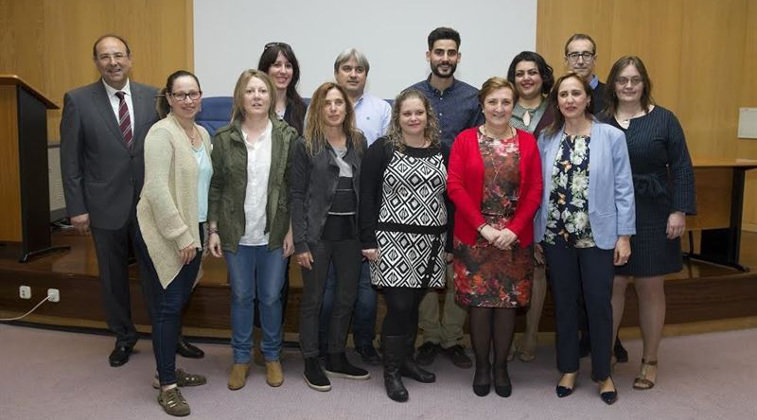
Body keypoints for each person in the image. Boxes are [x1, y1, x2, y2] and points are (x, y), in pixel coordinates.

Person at [59, 34, 164, 367]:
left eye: (118, 55)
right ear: (96, 63)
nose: (113, 62)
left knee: (159, 273)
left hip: (149, 203)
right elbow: (70, 160)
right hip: (104, 204)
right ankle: (124, 336)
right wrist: (77, 208)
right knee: (113, 276)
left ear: (130, 58)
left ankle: (169, 334)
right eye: (105, 57)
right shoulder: (78, 100)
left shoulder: (153, 97)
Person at [534, 72, 635, 405]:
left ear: (588, 98)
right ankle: (568, 368)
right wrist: (537, 234)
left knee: (598, 305)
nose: (570, 100)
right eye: (563, 94)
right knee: (563, 305)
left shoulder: (610, 136)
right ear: (557, 101)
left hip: (598, 237)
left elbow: (624, 189)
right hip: (556, 236)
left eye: (576, 93)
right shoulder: (547, 138)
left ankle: (603, 374)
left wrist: (624, 235)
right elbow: (539, 191)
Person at [602, 56, 696, 390]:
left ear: (644, 83)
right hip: (612, 214)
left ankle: (650, 360)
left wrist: (679, 210)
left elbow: (682, 166)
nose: (628, 86)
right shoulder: (601, 122)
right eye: (622, 80)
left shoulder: (665, 120)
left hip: (656, 212)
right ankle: (605, 356)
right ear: (612, 84)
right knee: (612, 286)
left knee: (650, 287)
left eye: (635, 80)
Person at [448, 77, 542, 397]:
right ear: (482, 105)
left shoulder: (528, 142)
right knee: (479, 305)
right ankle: (482, 368)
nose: (499, 108)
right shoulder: (464, 140)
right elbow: (455, 187)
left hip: (514, 240)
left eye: (505, 102)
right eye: (492, 102)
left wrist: (513, 230)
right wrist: (483, 227)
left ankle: (501, 367)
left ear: (513, 105)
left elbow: (535, 192)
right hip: (474, 237)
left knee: (506, 306)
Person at [207, 70, 298, 391]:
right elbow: (216, 186)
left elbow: (293, 188)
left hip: (274, 233)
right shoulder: (224, 138)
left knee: (272, 297)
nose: (257, 96)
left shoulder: (287, 137)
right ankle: (241, 359)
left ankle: (272, 356)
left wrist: (290, 230)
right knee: (242, 296)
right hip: (236, 234)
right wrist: (214, 229)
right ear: (240, 97)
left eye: (263, 90)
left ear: (271, 97)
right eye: (250, 91)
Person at [360, 89, 450, 402]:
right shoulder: (382, 149)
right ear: (398, 117)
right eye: (407, 113)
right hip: (392, 242)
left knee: (413, 306)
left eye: (419, 113)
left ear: (428, 116)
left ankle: (407, 361)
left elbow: (449, 199)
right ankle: (391, 371)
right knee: (398, 307)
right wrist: (368, 239)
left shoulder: (443, 149)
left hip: (431, 242)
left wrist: (448, 243)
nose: (413, 118)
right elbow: (367, 198)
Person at [135, 70, 210, 416]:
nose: (188, 100)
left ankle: (167, 369)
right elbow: (156, 190)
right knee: (167, 307)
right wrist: (181, 235)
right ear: (168, 97)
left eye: (193, 93)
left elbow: (205, 189)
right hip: (164, 233)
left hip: (193, 231)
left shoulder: (202, 133)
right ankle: (167, 386)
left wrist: (205, 232)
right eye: (180, 94)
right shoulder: (160, 134)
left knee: (176, 303)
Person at [409, 26, 483, 369]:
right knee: (424, 268)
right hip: (420, 195)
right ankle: (430, 336)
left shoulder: (473, 98)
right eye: (439, 52)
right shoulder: (411, 96)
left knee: (458, 268)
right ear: (428, 55)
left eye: (451, 53)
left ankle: (453, 337)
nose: (445, 59)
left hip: (462, 197)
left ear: (458, 57)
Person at [291, 82, 369, 392]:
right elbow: (297, 195)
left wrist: (367, 237)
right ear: (319, 109)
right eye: (328, 103)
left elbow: (366, 190)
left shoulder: (359, 142)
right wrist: (300, 242)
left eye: (339, 103)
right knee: (313, 299)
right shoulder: (305, 144)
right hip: (317, 237)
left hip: (350, 236)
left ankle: (336, 354)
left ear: (347, 109)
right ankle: (311, 358)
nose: (334, 108)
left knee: (345, 298)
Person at [319, 48, 392, 365]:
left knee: (365, 289)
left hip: (368, 210)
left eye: (359, 69)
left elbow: (390, 155)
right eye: (346, 68)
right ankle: (326, 345)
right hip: (330, 216)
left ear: (366, 74)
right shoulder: (322, 106)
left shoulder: (381, 110)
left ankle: (363, 342)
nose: (352, 74)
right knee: (330, 287)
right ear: (337, 73)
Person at [564, 33, 629, 361]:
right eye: (574, 55)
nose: (580, 60)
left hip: (602, 214)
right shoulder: (559, 102)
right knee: (572, 295)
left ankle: (605, 347)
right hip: (563, 224)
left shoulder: (609, 97)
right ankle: (578, 349)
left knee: (600, 293)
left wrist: (624, 232)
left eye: (586, 54)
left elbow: (622, 182)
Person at [506, 51, 554, 362]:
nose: (526, 78)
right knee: (507, 268)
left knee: (538, 268)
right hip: (506, 199)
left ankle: (532, 335)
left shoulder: (556, 108)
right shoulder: (503, 106)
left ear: (542, 76)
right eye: (520, 72)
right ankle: (506, 336)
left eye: (532, 72)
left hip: (546, 197)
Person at [258, 42, 307, 135]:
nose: (283, 71)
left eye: (288, 66)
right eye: (277, 65)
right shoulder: (253, 106)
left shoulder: (302, 111)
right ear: (265, 70)